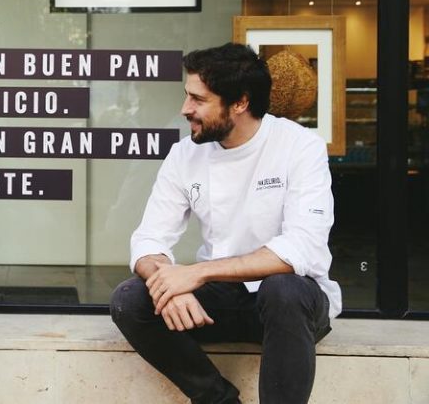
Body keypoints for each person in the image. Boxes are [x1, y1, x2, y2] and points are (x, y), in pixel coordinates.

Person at [110, 43, 341, 404]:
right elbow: (149, 238)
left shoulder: (299, 147)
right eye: (187, 96)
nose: (185, 109)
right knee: (130, 299)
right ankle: (218, 399)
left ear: (240, 103)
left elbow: (302, 247)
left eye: (198, 100)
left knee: (284, 288)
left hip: (290, 306)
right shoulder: (186, 153)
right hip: (221, 303)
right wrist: (167, 283)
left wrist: (197, 274)